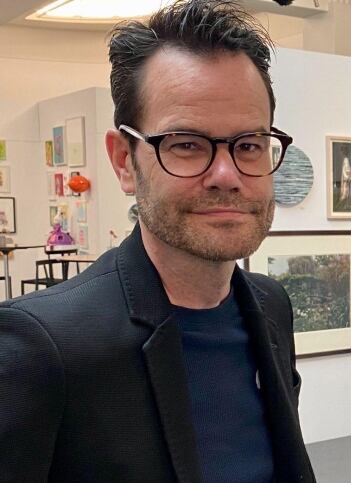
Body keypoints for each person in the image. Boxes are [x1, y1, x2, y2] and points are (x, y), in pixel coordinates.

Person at [0, 1, 316, 481]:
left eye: (248, 144)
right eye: (187, 144)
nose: (227, 175)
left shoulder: (271, 306)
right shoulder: (44, 347)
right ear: (125, 161)